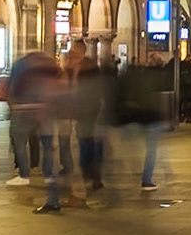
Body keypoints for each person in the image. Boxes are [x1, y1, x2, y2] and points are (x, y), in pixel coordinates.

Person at [6, 50, 61, 205]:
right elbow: (60, 85)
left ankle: (24, 175)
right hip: (46, 109)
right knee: (47, 144)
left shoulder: (21, 64)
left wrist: (12, 104)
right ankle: (48, 175)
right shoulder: (51, 65)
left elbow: (12, 86)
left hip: (24, 108)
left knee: (19, 141)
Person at [119, 45, 169, 192]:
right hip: (152, 116)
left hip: (139, 115)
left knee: (136, 146)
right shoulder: (159, 76)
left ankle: (135, 172)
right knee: (152, 150)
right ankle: (146, 179)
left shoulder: (141, 74)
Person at [74, 53, 114, 192]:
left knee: (85, 147)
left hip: (84, 119)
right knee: (97, 149)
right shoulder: (99, 81)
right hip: (96, 119)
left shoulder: (80, 82)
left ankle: (86, 174)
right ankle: (96, 178)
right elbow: (105, 99)